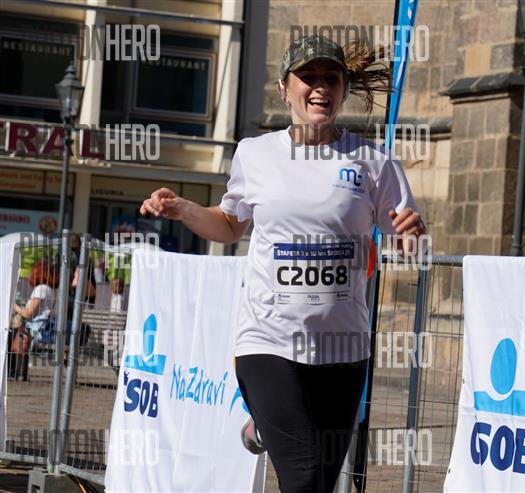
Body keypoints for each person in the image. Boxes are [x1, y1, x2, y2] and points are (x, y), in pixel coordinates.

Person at [139, 34, 426, 493]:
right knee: (305, 477)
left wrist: (414, 235)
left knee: (320, 482)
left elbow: (408, 242)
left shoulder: (374, 163)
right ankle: (268, 419)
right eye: (307, 77)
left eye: (331, 78)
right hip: (268, 341)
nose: (320, 87)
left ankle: (263, 428)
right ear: (283, 89)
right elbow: (230, 225)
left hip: (342, 349)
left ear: (343, 90)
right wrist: (183, 209)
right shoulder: (256, 154)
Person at [14, 259, 59, 356]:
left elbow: (28, 314)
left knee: (10, 333)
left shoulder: (41, 289)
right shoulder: (52, 290)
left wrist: (13, 305)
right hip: (42, 329)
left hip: (35, 330)